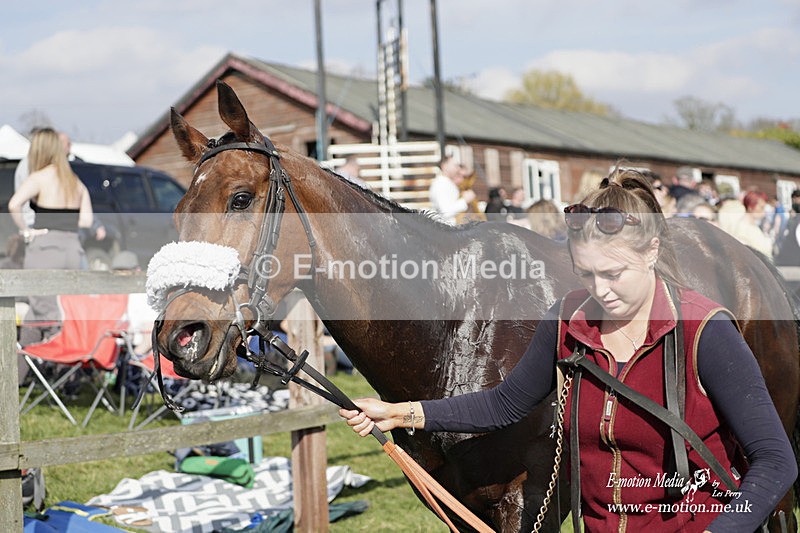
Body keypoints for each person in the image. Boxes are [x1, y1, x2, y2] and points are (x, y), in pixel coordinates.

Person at [340, 169, 796, 532]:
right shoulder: (567, 319)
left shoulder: (706, 331)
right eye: (586, 274)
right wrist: (402, 413)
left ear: (652, 251)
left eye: (614, 274)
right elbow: (504, 404)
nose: (601, 291)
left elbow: (775, 461)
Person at [9, 128, 95, 345]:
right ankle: (23, 362)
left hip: (45, 248)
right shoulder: (74, 180)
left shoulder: (39, 177)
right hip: (73, 249)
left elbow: (14, 204)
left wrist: (26, 230)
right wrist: (65, 222)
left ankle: (56, 348)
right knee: (40, 312)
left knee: (45, 311)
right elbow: (87, 221)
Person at [717, 191, 774, 259]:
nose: (764, 211)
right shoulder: (743, 228)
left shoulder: (751, 225)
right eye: (761, 207)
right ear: (751, 207)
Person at [428, 155, 475, 225]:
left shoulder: (447, 182)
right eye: (455, 165)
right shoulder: (441, 184)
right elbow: (446, 212)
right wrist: (465, 200)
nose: (458, 168)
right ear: (444, 166)